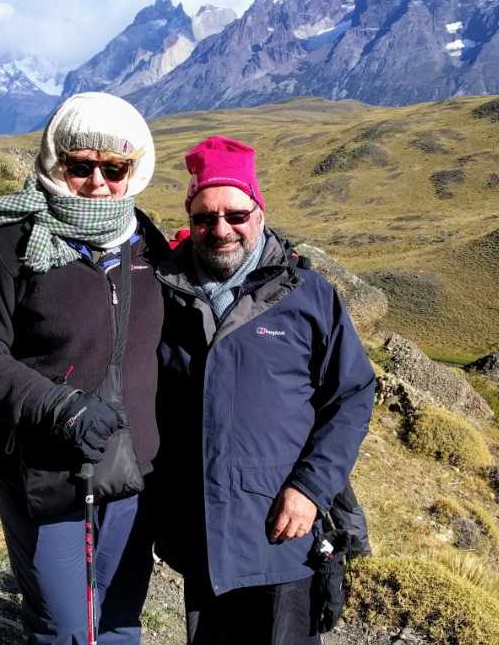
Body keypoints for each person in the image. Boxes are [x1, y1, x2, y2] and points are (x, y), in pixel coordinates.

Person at [0, 92, 168, 645]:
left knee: (119, 615)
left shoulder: (147, 241)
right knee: (66, 627)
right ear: (55, 161)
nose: (98, 182)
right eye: (81, 165)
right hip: (43, 468)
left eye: (114, 168)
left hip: (134, 469)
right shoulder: (12, 244)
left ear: (133, 170)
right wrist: (61, 408)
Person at [153, 135, 376, 645]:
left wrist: (311, 489)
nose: (221, 229)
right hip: (201, 531)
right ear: (190, 214)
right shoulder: (163, 293)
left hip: (281, 530)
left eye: (235, 214)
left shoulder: (307, 294)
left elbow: (354, 393)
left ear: (258, 210)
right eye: (205, 217)